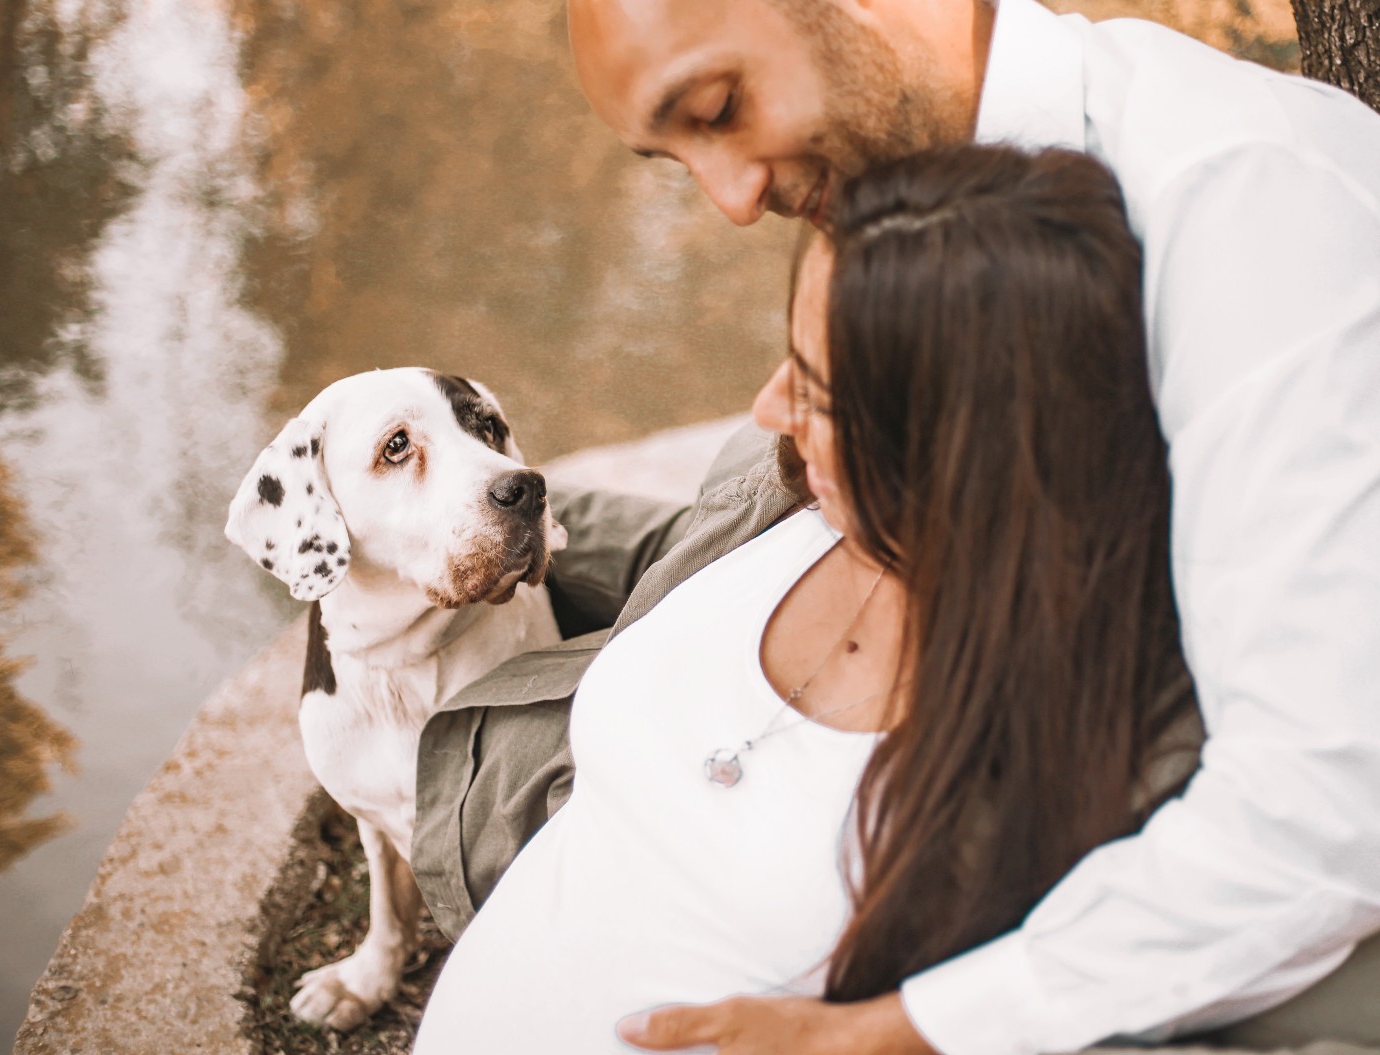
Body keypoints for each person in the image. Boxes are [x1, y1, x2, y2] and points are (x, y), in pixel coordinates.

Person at [411, 0, 1380, 1051]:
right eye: (672, 155)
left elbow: (1325, 805)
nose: (731, 200)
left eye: (718, 107)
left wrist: (898, 1029)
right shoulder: (894, 239)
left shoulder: (1254, 209)